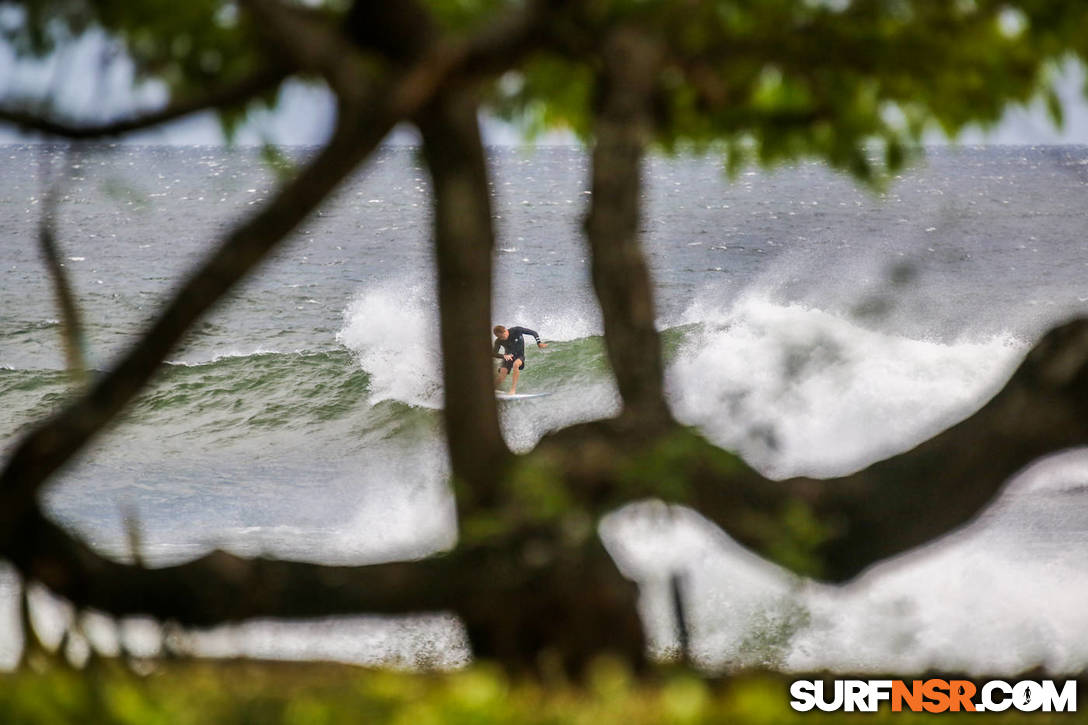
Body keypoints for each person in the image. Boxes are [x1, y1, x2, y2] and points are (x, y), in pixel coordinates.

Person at [492, 325, 546, 395]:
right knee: (502, 375)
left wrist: (539, 342)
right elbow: (493, 353)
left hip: (519, 356)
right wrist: (504, 356)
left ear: (505, 330)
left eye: (502, 336)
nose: (502, 338)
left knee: (516, 364)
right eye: (500, 337)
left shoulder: (517, 330)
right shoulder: (499, 341)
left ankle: (513, 390)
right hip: (508, 357)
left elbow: (533, 332)